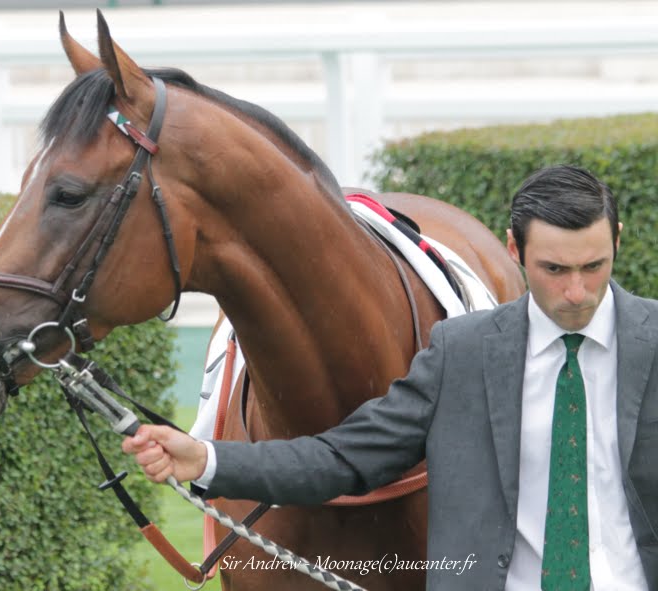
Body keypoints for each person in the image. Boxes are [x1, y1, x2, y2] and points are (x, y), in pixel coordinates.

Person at [122, 165, 656, 590]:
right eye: (554, 270)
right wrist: (206, 459)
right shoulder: (462, 352)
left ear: (617, 241)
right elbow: (346, 457)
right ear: (516, 251)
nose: (577, 293)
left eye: (594, 266)